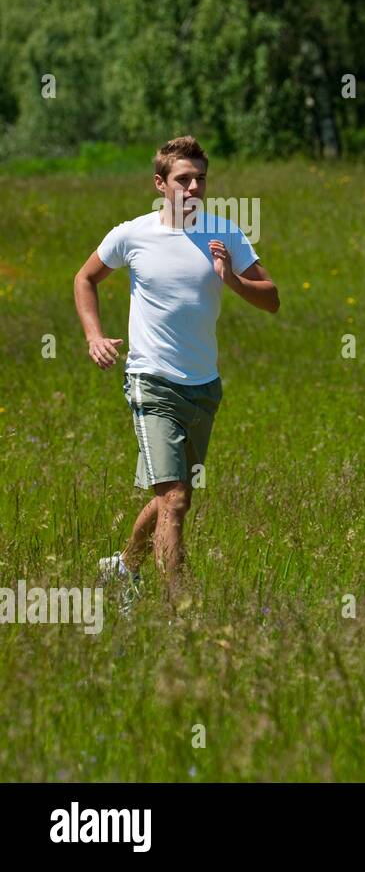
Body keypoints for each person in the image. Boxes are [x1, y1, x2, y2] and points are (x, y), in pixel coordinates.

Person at [72, 135, 279, 606]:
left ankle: (123, 567)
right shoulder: (131, 235)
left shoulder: (225, 233)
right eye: (183, 179)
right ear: (160, 183)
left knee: (170, 496)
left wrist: (233, 279)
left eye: (200, 179)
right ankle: (178, 608)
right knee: (178, 500)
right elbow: (84, 278)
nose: (193, 187)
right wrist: (94, 336)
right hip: (150, 381)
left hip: (204, 385)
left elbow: (271, 299)